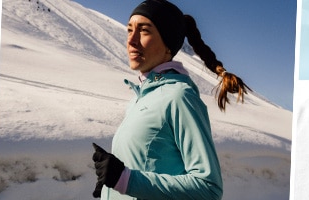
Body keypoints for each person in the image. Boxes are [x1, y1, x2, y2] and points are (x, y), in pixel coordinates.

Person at [92, 0, 249, 199]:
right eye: (129, 30)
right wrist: (110, 185)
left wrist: (125, 180)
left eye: (144, 31)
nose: (131, 40)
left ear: (168, 44)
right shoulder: (138, 100)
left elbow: (209, 189)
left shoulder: (179, 97)